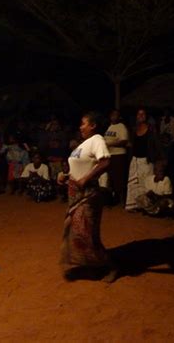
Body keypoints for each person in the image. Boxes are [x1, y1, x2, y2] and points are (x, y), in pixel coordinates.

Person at [61, 111, 117, 282]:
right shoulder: (83, 145)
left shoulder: (97, 140)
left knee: (86, 234)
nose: (80, 127)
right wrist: (66, 176)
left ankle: (110, 266)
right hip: (75, 196)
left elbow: (106, 161)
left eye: (83, 123)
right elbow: (78, 169)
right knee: (77, 232)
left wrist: (86, 178)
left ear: (93, 125)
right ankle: (93, 266)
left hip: (88, 196)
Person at [125, 108, 160, 211]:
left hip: (146, 160)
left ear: (146, 116)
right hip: (135, 160)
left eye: (143, 114)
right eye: (139, 114)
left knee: (146, 183)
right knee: (133, 183)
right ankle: (134, 205)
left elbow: (157, 145)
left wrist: (159, 159)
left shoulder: (151, 129)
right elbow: (131, 144)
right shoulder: (134, 129)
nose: (141, 116)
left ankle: (146, 206)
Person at [104, 109, 129, 205]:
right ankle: (115, 198)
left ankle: (123, 200)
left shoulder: (121, 126)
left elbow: (124, 141)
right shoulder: (110, 127)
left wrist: (111, 143)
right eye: (112, 114)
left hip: (119, 155)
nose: (113, 116)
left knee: (120, 178)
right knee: (112, 178)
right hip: (110, 155)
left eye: (116, 115)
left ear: (119, 117)